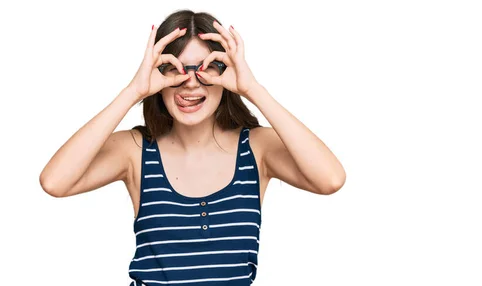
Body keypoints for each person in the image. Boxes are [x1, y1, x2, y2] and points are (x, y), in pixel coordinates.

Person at [38, 9, 345, 286]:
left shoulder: (255, 147)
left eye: (206, 68)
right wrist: (134, 91)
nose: (190, 82)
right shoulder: (136, 151)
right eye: (175, 68)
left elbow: (330, 179)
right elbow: (55, 182)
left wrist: (253, 89)